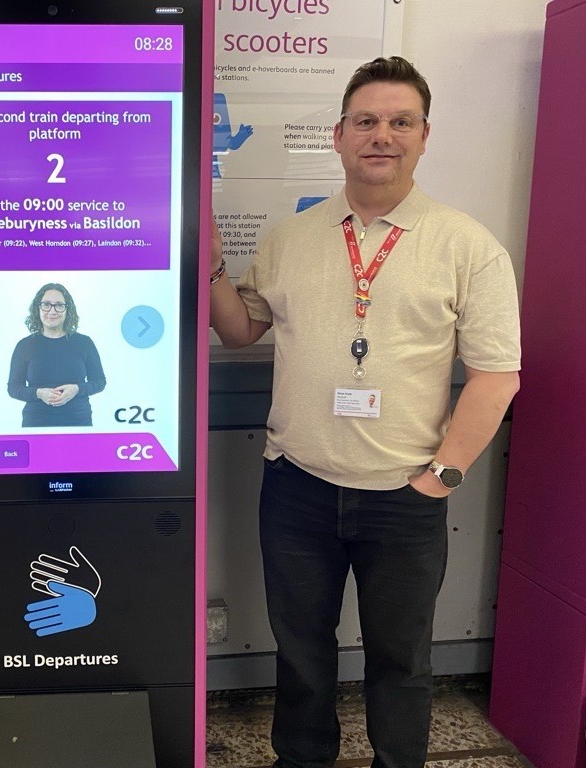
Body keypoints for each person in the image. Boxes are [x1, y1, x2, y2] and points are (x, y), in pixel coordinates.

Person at [209, 56, 521, 768]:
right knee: (300, 652)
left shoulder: (466, 245)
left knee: (400, 659)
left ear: (423, 135)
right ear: (339, 135)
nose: (382, 135)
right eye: (366, 121)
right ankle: (302, 759)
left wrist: (440, 477)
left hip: (404, 496)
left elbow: (496, 376)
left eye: (400, 121)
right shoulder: (292, 236)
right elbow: (239, 330)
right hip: (297, 487)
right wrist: (213, 267)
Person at [8, 282, 106, 427]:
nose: (52, 311)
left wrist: (77, 389)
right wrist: (38, 393)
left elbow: (99, 381)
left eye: (59, 305)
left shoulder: (84, 343)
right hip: (36, 423)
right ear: (38, 308)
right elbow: (13, 388)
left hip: (78, 422)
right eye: (46, 304)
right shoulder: (25, 345)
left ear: (68, 310)